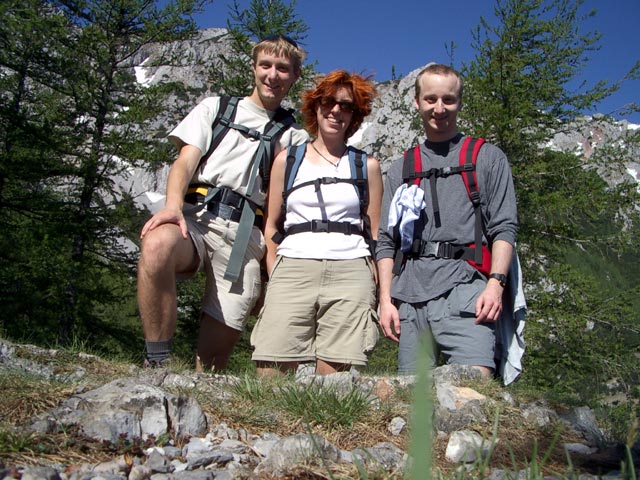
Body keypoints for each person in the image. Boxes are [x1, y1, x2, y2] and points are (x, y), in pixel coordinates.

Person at [137, 35, 309, 371]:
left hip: (246, 236)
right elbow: (186, 161)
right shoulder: (216, 108)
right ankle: (156, 363)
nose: (272, 75)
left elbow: (285, 204)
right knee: (156, 245)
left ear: (294, 76)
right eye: (266, 65)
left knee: (213, 362)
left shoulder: (295, 138)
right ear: (255, 67)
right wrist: (172, 207)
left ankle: (202, 393)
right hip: (197, 216)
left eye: (283, 69)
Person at [376, 63, 518, 377]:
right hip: (411, 298)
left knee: (474, 391)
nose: (439, 108)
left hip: (467, 290)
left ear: (459, 102)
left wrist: (496, 284)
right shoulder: (402, 167)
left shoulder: (487, 158)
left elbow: (504, 227)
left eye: (448, 100)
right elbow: (386, 242)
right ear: (417, 102)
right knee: (413, 403)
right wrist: (386, 300)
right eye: (430, 99)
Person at [250, 70, 382, 376]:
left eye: (346, 106)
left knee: (334, 380)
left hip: (352, 269)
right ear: (316, 105)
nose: (336, 110)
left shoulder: (367, 167)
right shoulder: (288, 159)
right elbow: (271, 225)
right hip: (293, 265)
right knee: (271, 368)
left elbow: (375, 234)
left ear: (355, 116)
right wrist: (275, 269)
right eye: (329, 101)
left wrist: (377, 284)